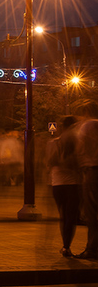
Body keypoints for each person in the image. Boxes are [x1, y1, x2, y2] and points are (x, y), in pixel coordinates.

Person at [47, 116, 80, 258]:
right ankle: (66, 246)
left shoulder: (53, 143)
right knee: (71, 217)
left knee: (63, 215)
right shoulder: (77, 141)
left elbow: (49, 162)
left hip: (57, 183)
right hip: (73, 183)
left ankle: (65, 246)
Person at [74, 99, 98, 260]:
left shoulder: (88, 126)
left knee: (92, 212)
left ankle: (92, 248)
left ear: (86, 112)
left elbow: (79, 148)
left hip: (93, 170)